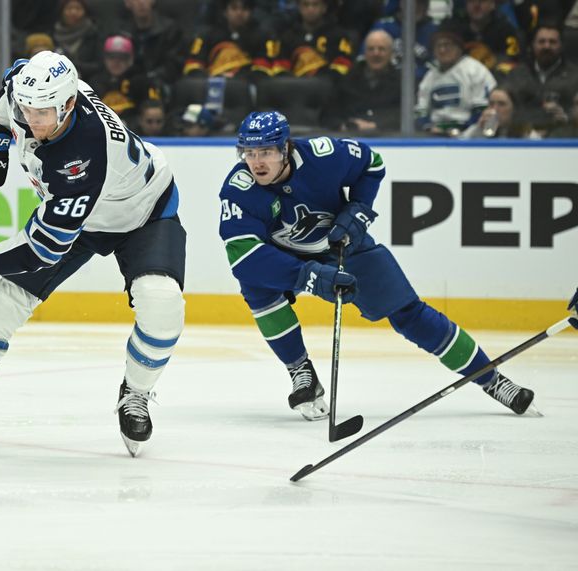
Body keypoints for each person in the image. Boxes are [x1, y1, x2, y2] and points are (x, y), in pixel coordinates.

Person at [0, 51, 186, 458]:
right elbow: (12, 77)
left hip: (143, 212)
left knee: (163, 307)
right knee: (3, 302)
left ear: (69, 104)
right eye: (25, 110)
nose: (31, 122)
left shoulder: (81, 156)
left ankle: (136, 393)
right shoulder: (30, 89)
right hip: (82, 212)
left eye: (42, 114)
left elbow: (44, 247)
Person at [218, 110, 536, 421]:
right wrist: (311, 277)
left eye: (266, 152)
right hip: (283, 256)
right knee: (258, 287)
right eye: (249, 152)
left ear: (286, 148)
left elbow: (372, 164)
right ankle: (301, 372)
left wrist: (358, 210)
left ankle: (491, 379)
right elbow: (245, 259)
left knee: (409, 313)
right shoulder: (239, 187)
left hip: (341, 243)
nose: (256, 161)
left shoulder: (324, 155)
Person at [415, 23, 496, 136]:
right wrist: (429, 128)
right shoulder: (429, 77)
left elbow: (482, 109)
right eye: (438, 46)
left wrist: (464, 131)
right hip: (435, 135)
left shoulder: (475, 71)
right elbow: (421, 111)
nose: (442, 50)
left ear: (459, 47)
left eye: (447, 45)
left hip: (471, 135)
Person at [326, 29, 401, 134]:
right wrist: (342, 126)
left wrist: (376, 125)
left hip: (388, 138)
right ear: (364, 52)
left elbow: (404, 115)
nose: (376, 53)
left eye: (381, 49)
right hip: (351, 137)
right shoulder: (347, 78)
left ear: (390, 53)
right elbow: (330, 113)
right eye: (371, 49)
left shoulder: (402, 82)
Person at [460, 86, 540, 139]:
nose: (495, 109)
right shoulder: (478, 129)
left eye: (502, 104)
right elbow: (459, 146)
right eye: (491, 104)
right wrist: (479, 129)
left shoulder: (528, 135)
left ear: (515, 109)